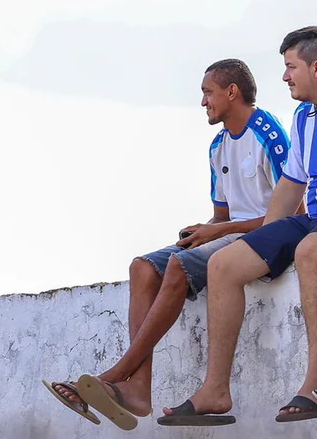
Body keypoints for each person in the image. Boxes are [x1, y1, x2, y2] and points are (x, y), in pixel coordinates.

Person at [158, 27, 317, 425]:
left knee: (310, 250)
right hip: (315, 217)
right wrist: (263, 243)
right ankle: (215, 392)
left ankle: (315, 382)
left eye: (291, 67)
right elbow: (291, 185)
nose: (285, 76)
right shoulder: (302, 115)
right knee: (224, 264)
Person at [43, 59, 289, 431]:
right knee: (143, 266)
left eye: (208, 92)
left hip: (264, 238)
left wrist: (218, 232)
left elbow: (291, 212)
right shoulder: (218, 146)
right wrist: (202, 231)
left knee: (178, 266)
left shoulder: (267, 132)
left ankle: (117, 373)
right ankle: (138, 391)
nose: (203, 101)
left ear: (231, 91)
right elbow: (221, 217)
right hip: (229, 235)